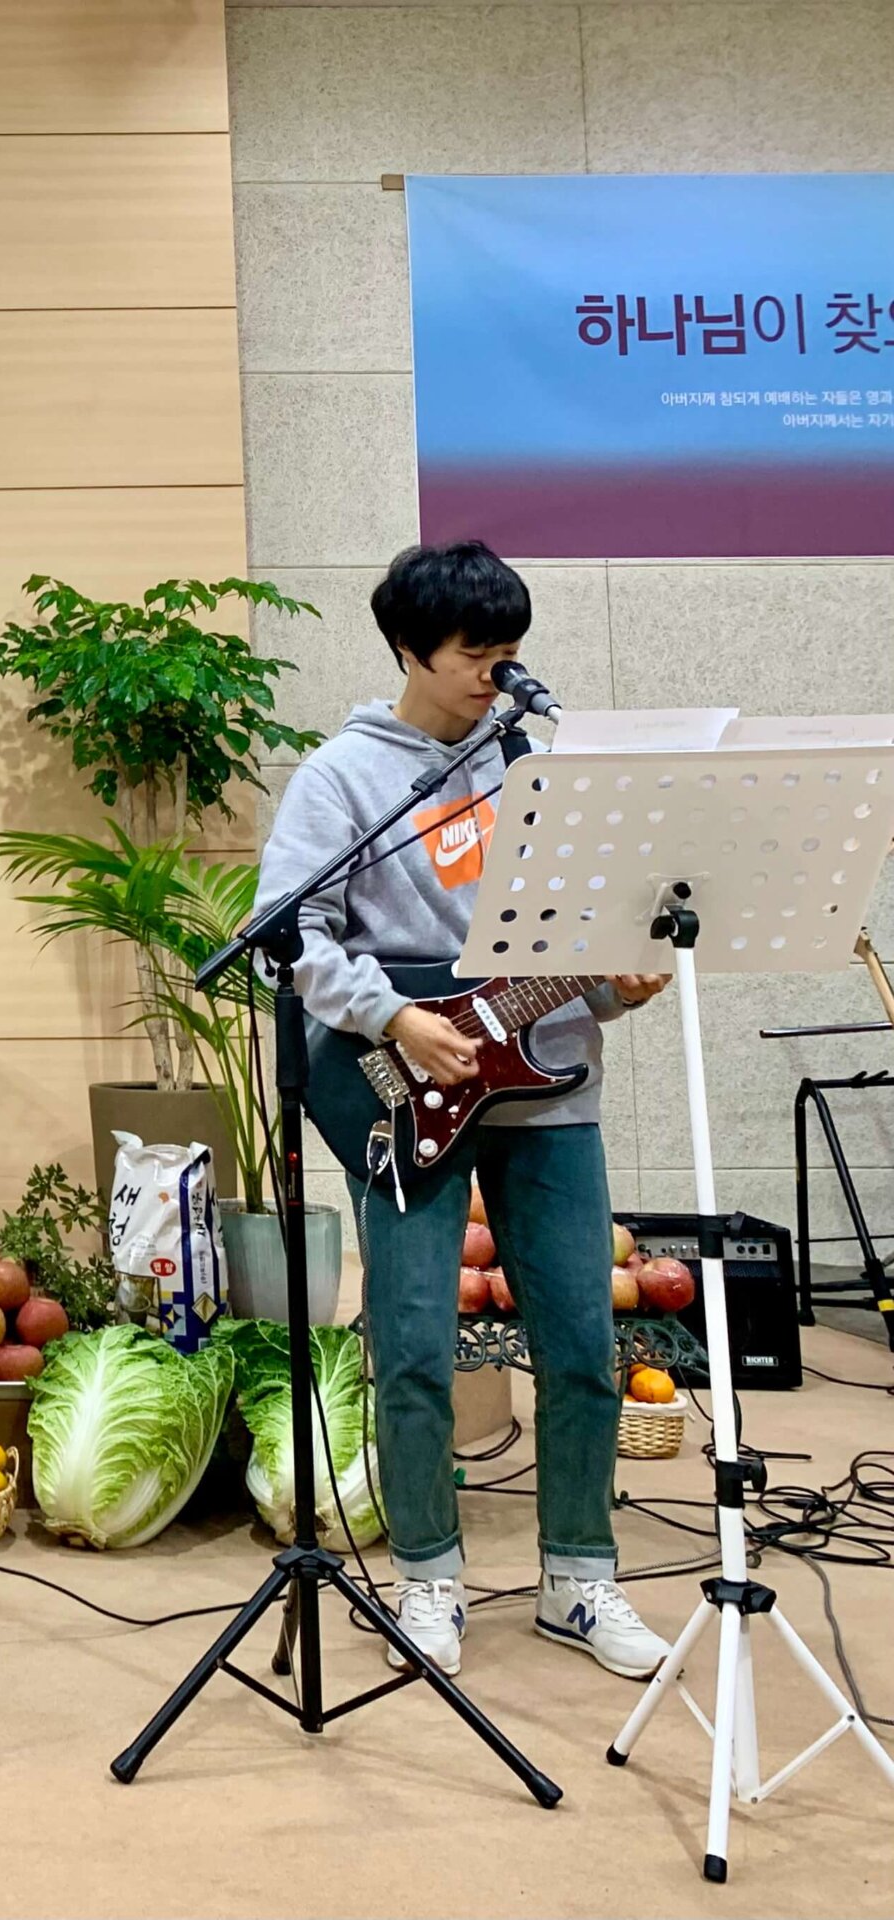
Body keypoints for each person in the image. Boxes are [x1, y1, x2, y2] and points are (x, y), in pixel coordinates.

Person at [255, 539, 674, 1681]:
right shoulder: (343, 779)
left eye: (510, 650)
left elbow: (581, 945)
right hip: (401, 1090)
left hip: (551, 1090)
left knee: (582, 1345)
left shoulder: (538, 770)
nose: (499, 672)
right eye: (474, 653)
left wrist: (616, 986)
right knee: (412, 1351)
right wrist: (393, 1017)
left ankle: (578, 1579)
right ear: (407, 649)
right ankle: (427, 1578)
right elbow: (293, 939)